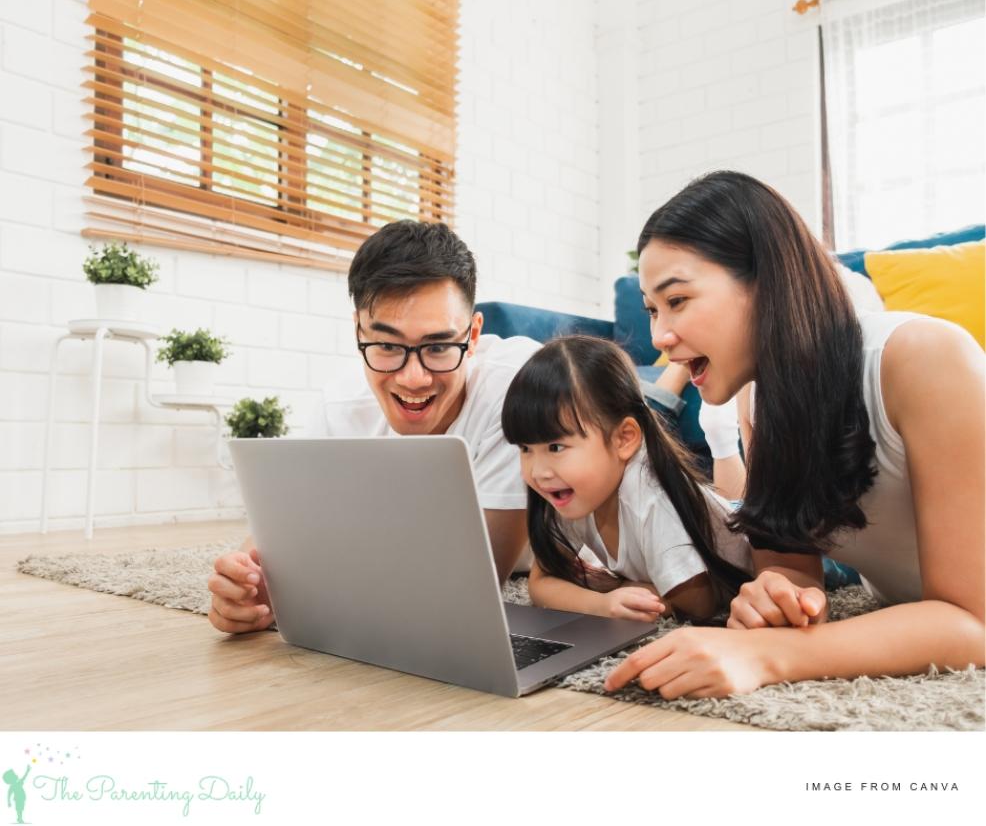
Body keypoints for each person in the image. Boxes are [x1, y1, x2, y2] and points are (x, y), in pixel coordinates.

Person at [605, 170, 984, 698]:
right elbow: (789, 563)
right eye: (651, 309)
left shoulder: (924, 358)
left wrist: (769, 654)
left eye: (678, 301)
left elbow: (974, 623)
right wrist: (780, 595)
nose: (660, 338)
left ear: (767, 283)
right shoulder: (758, 396)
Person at [208, 221, 539, 634]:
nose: (413, 378)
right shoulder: (341, 406)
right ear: (358, 332)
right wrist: (247, 585)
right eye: (386, 346)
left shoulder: (520, 389)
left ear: (472, 336)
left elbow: (473, 585)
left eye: (438, 347)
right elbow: (283, 536)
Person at [501, 336, 753, 623]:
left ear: (624, 439)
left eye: (556, 447)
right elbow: (540, 583)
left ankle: (721, 434)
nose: (538, 472)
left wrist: (616, 586)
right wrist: (602, 603)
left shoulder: (651, 501)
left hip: (748, 534)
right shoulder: (569, 489)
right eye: (525, 449)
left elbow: (700, 607)